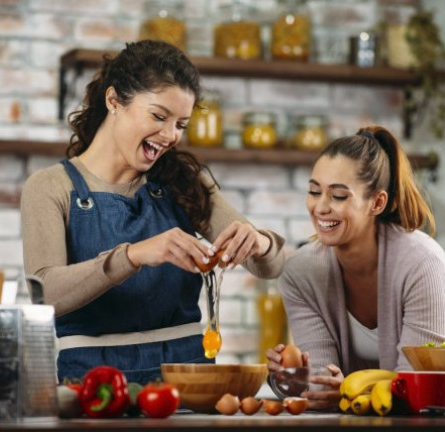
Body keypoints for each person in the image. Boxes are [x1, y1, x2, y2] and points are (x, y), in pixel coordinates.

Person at [21, 40, 285, 385]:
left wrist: (260, 242)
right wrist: (134, 255)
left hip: (188, 377)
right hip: (91, 382)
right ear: (114, 100)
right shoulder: (51, 187)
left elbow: (271, 267)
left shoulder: (183, 182)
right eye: (159, 116)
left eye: (181, 124)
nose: (170, 135)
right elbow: (48, 295)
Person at [266, 125, 445, 410]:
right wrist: (295, 379)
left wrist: (347, 390)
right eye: (314, 191)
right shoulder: (301, 273)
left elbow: (415, 387)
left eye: (339, 196)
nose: (320, 207)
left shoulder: (423, 263)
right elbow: (321, 384)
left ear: (377, 202)